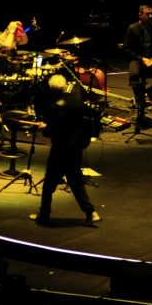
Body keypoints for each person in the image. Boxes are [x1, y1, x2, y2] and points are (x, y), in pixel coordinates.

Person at [32, 74, 99, 226]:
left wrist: (45, 127)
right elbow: (93, 114)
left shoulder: (55, 107)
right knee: (75, 181)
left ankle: (44, 215)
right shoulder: (76, 101)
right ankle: (91, 212)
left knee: (49, 184)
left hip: (60, 149)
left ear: (52, 89)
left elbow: (52, 132)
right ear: (64, 86)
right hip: (75, 148)